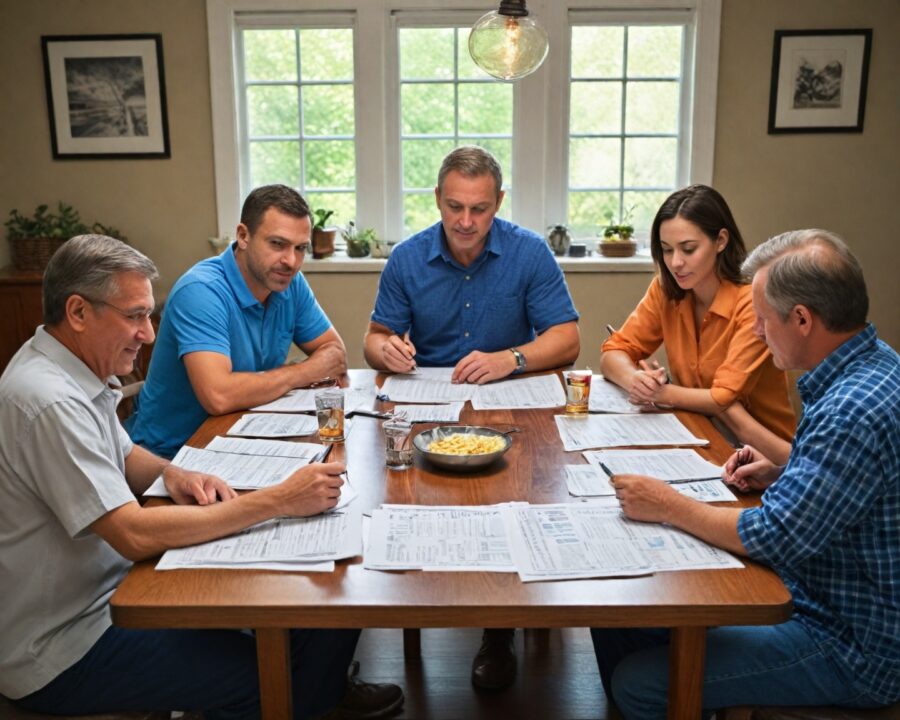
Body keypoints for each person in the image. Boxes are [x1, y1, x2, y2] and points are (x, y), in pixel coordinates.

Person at [0, 235, 403, 719]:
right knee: (284, 683)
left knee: (321, 592)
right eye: (134, 316)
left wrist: (172, 472)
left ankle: (320, 690)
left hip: (108, 592)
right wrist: (277, 500)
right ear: (78, 312)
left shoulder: (68, 367)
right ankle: (310, 698)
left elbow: (123, 454)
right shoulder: (49, 401)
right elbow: (131, 533)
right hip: (66, 646)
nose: (148, 334)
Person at [592, 229, 899, 718]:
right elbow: (856, 484)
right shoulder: (874, 365)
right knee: (620, 614)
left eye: (762, 318)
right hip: (823, 594)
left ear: (802, 320)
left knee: (638, 684)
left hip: (850, 641)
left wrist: (668, 504)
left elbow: (775, 535)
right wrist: (783, 473)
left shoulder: (850, 411)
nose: (755, 331)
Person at [364, 145, 581, 691]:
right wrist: (386, 350)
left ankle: (499, 627)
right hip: (427, 408)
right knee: (409, 497)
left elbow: (567, 338)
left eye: (479, 209)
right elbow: (374, 339)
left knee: (510, 500)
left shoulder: (529, 252)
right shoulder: (407, 258)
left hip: (510, 406)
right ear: (437, 198)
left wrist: (512, 358)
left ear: (498, 202)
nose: (465, 221)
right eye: (454, 207)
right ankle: (416, 596)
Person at [127, 184, 348, 459]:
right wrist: (303, 372)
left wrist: (284, 377)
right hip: (174, 454)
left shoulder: (290, 283)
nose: (291, 261)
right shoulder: (201, 291)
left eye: (300, 248)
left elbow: (335, 354)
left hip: (246, 440)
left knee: (334, 472)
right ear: (243, 236)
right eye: (277, 244)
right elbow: (218, 396)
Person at [600, 185, 795, 464]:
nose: (675, 263)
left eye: (688, 249)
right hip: (699, 433)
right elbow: (613, 351)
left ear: (721, 241)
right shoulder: (665, 289)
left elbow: (721, 398)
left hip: (763, 452)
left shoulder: (752, 302)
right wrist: (636, 381)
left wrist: (662, 393)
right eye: (666, 250)